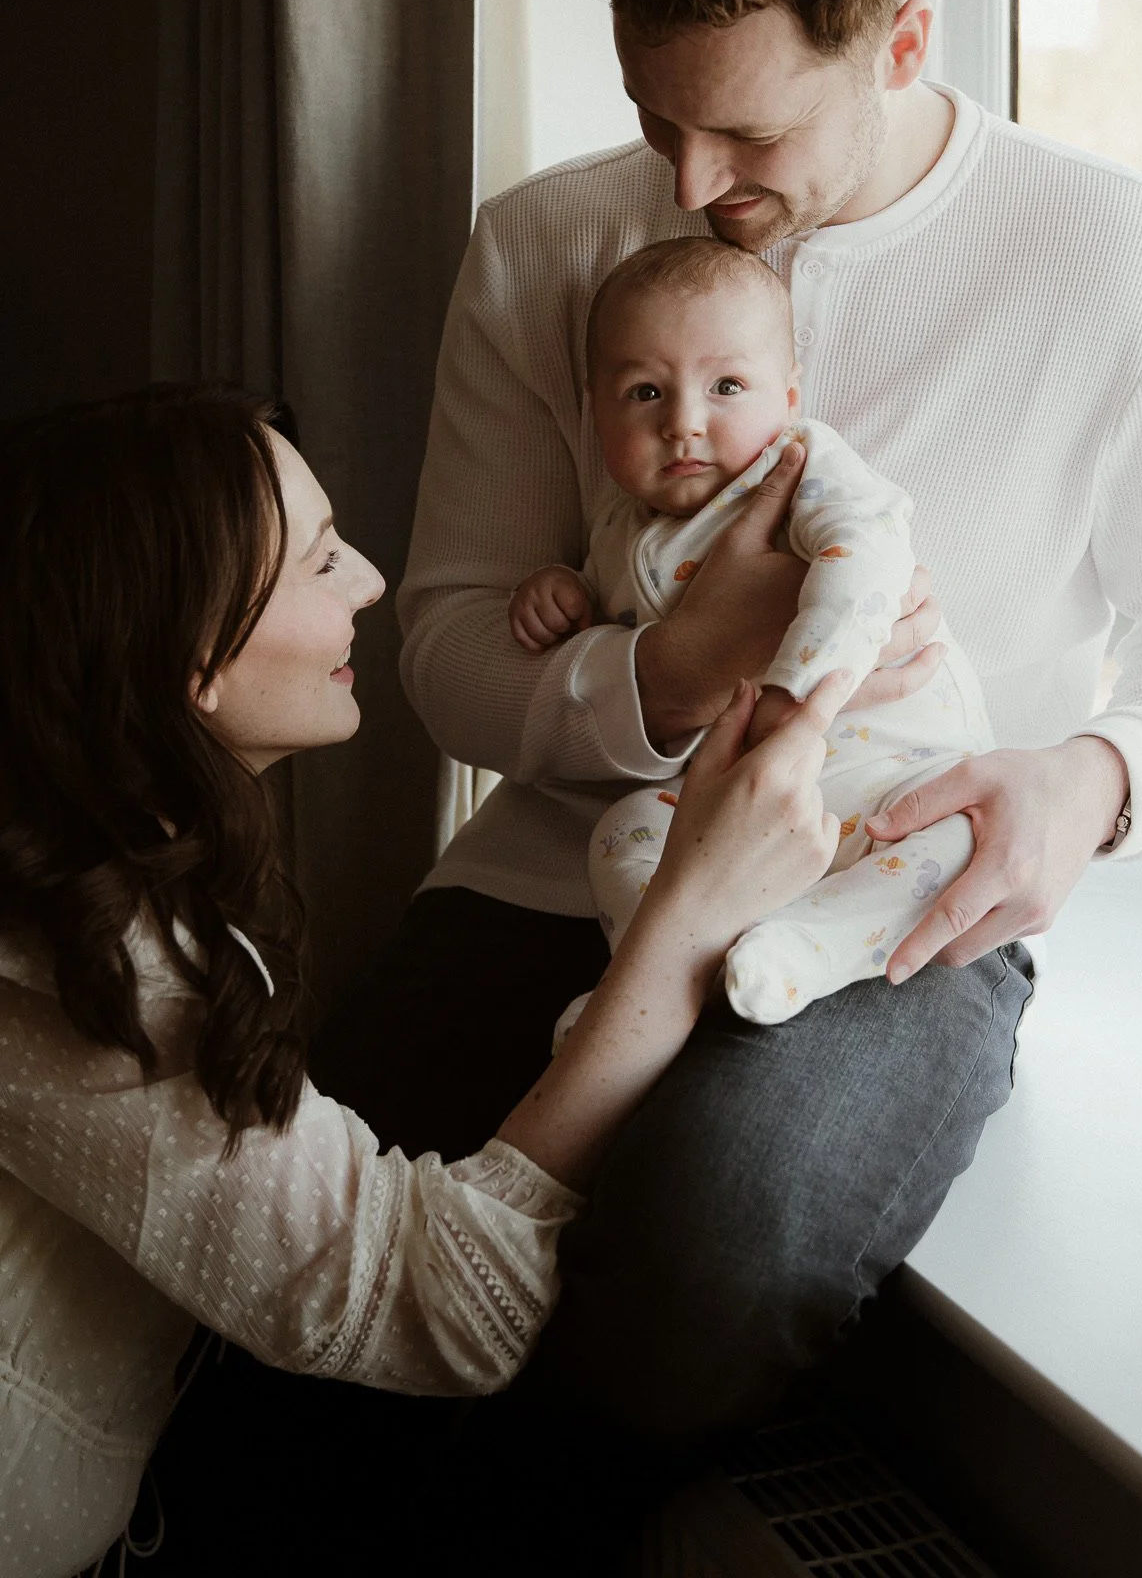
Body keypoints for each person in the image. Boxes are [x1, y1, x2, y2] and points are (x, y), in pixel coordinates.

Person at [314, 0, 1142, 1460]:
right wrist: (669, 669)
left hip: (887, 887)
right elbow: (448, 646)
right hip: (565, 868)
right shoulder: (537, 247)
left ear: (900, 44)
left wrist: (1090, 779)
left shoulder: (1113, 258)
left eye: (749, 133)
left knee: (713, 1246)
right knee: (330, 1178)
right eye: (655, 118)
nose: (687, 182)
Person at [0, 383, 846, 1578]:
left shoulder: (103, 870)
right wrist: (684, 917)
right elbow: (443, 1306)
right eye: (321, 559)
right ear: (191, 658)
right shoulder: (86, 968)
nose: (370, 581)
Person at [510, 235, 992, 1033]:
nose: (683, 424)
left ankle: (804, 952)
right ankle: (660, 975)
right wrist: (565, 596)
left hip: (891, 778)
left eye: (726, 386)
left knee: (960, 843)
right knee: (622, 832)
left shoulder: (803, 468)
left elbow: (865, 557)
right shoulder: (616, 527)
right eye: (643, 393)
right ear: (594, 409)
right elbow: (621, 639)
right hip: (734, 817)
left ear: (789, 396)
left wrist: (794, 696)